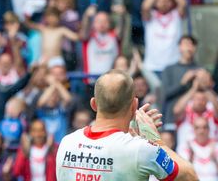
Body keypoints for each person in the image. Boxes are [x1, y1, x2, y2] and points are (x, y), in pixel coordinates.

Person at [55, 69, 198, 181]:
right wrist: (156, 141)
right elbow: (190, 178)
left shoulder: (67, 143)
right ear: (134, 105)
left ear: (93, 104)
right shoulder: (141, 149)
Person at [140, 0, 187, 73]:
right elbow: (145, 7)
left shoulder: (176, 15)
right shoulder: (151, 16)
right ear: (155, 3)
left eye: (167, 0)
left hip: (173, 65)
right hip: (152, 67)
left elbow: (183, 4)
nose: (164, 3)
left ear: (171, 2)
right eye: (160, 0)